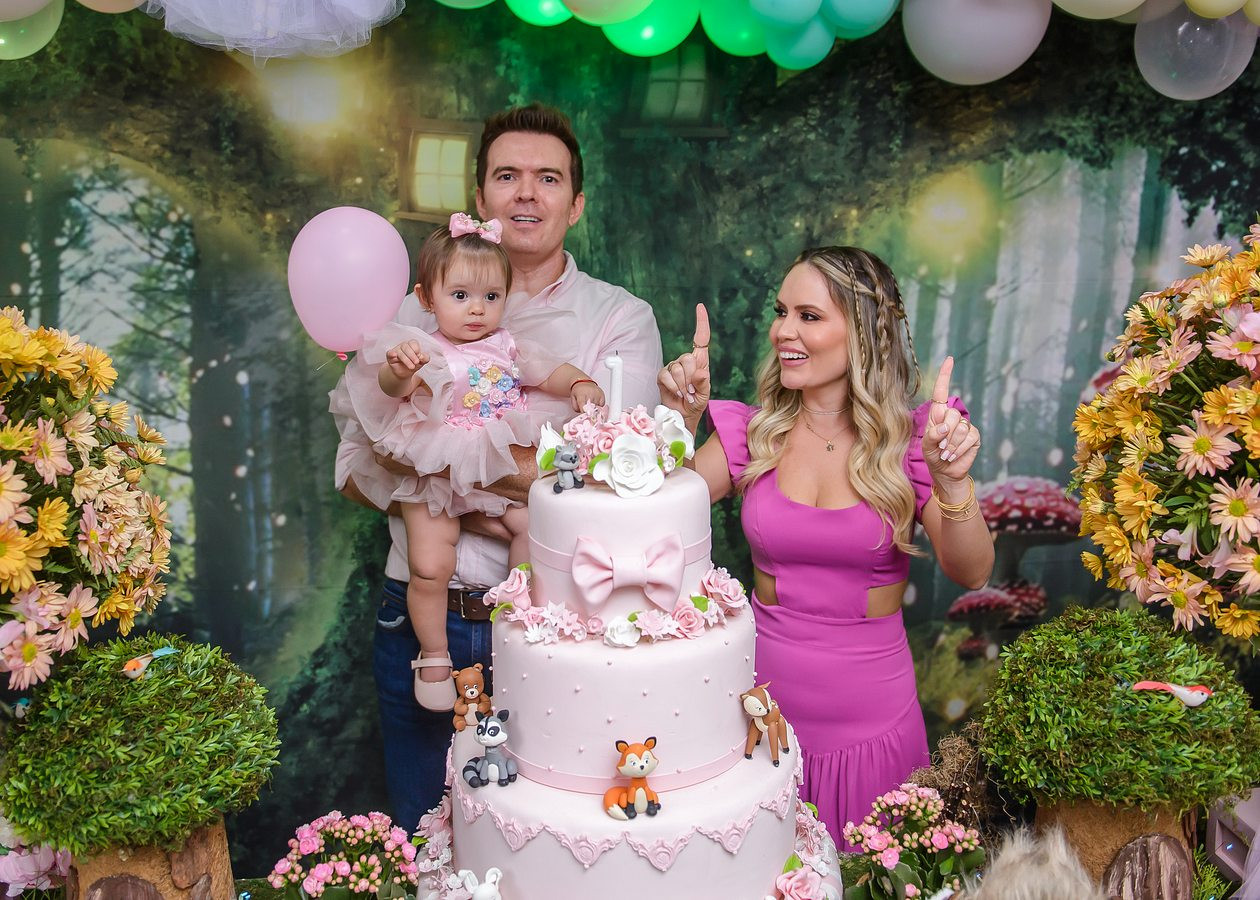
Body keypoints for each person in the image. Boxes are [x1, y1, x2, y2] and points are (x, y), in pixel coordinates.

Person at [332, 103, 663, 831]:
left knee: (545, 839)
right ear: (480, 197)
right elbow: (354, 465)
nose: (526, 193)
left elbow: (618, 475)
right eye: (507, 175)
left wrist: (442, 474)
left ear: (576, 203)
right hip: (419, 617)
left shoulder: (619, 318)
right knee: (424, 836)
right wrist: (514, 481)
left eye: (549, 178)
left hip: (555, 624)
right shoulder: (411, 316)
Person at [657, 246, 994, 845]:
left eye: (808, 316)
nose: (783, 330)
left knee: (865, 874)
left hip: (871, 722)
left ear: (861, 332)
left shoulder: (912, 442)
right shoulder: (755, 432)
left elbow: (971, 570)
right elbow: (658, 517)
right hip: (755, 716)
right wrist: (678, 422)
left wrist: (952, 482)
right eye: (781, 312)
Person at [330, 214, 604, 711]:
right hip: (436, 466)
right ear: (427, 297)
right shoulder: (422, 348)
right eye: (460, 296)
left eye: (491, 296)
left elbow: (551, 371)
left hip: (492, 464)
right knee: (430, 565)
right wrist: (399, 372)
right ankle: (434, 655)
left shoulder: (510, 346)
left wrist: (579, 382)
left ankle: (518, 618)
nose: (477, 309)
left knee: (532, 528)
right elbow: (390, 390)